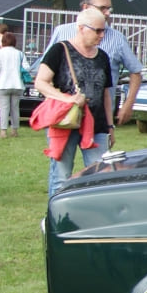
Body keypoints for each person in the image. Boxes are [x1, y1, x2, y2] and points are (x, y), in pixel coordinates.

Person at [34, 14, 114, 196]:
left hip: (97, 125)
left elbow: (106, 94)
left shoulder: (102, 57)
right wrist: (67, 99)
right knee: (61, 176)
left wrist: (110, 125)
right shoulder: (59, 50)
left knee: (101, 176)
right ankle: (57, 218)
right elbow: (41, 82)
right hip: (65, 123)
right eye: (98, 30)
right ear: (81, 28)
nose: (102, 35)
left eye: (104, 31)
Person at [47, 0, 145, 125]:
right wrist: (56, 99)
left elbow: (136, 72)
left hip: (99, 118)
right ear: (85, 7)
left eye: (109, 9)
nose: (107, 13)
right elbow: (44, 74)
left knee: (100, 147)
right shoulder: (61, 33)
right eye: (103, 8)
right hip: (63, 115)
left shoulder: (117, 39)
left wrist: (128, 105)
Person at [0, 29, 26, 138]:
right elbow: (26, 67)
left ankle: (3, 131)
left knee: (4, 109)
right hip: (17, 84)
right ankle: (14, 130)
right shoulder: (20, 53)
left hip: (2, 84)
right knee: (15, 108)